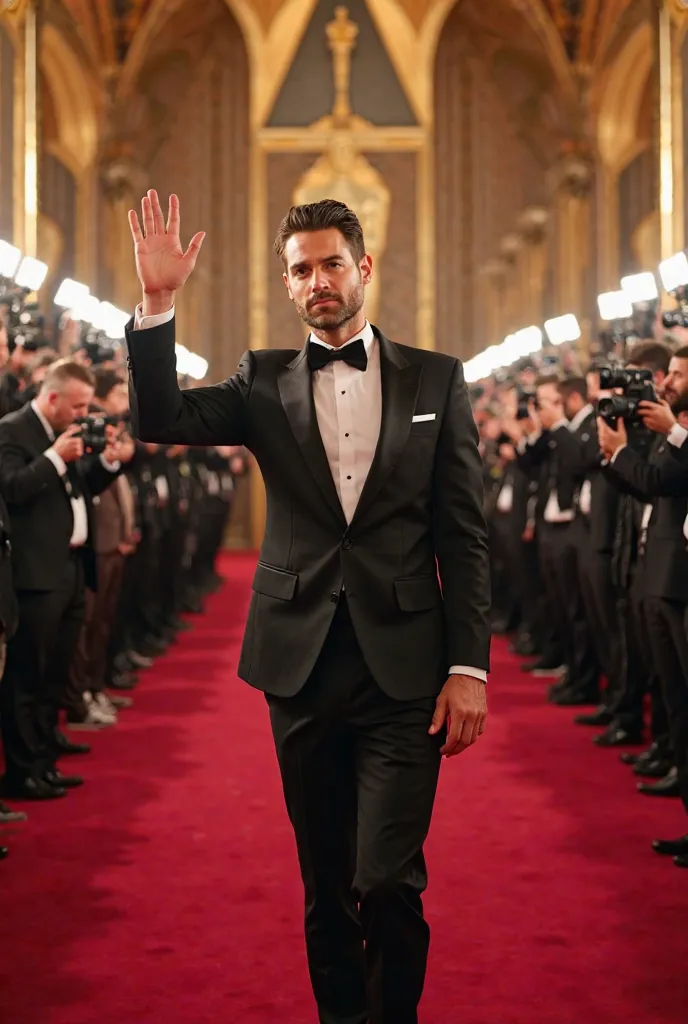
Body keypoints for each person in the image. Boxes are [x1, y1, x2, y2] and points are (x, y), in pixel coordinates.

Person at [125, 189, 491, 1024]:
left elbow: (463, 535)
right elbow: (160, 416)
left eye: (331, 263)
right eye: (301, 270)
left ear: (363, 268)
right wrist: (158, 305)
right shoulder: (262, 378)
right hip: (301, 666)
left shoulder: (438, 377)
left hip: (407, 669)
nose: (318, 279)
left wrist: (470, 666)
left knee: (389, 880)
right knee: (326, 883)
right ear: (287, 286)